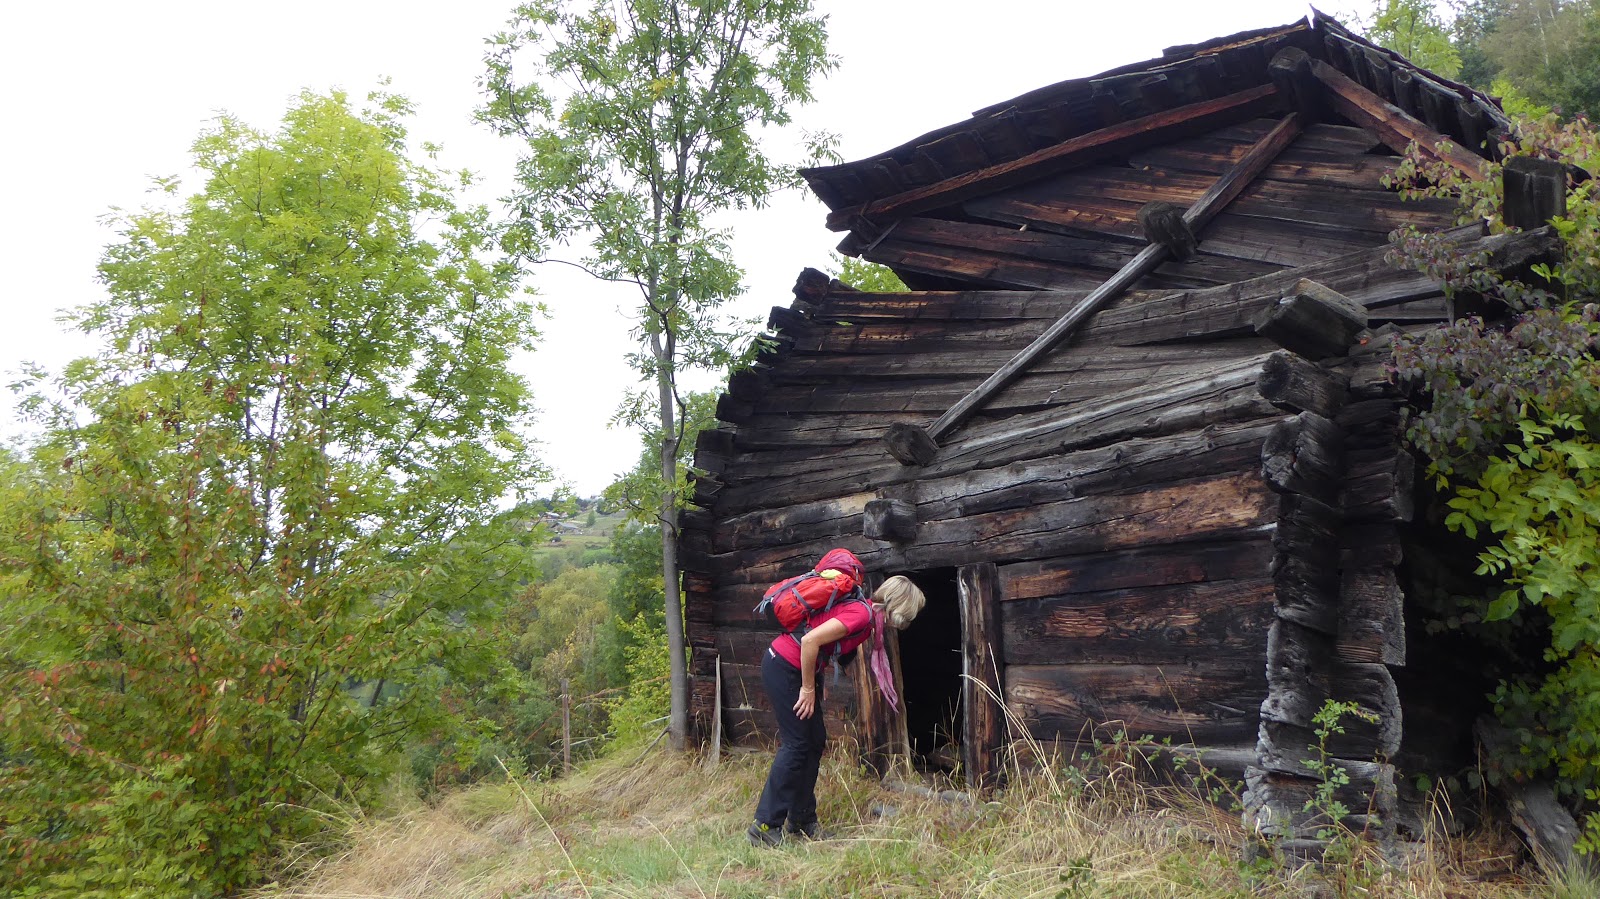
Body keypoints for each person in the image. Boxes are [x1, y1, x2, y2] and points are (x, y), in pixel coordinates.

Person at [748, 560, 926, 847]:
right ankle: (765, 825)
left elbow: (825, 646)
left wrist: (816, 682)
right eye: (910, 613)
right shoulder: (862, 615)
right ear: (901, 606)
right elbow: (809, 641)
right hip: (784, 667)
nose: (908, 620)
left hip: (796, 669)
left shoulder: (868, 621)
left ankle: (802, 821)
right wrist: (808, 688)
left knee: (814, 741)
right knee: (796, 744)